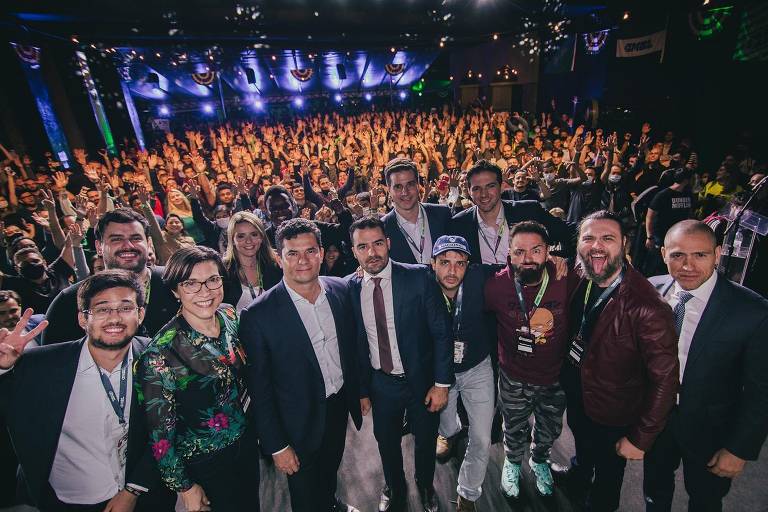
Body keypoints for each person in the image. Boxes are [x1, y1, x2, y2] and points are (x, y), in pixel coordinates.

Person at [0, 270, 175, 511]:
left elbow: (169, 429)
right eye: (102, 309)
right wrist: (2, 367)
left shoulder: (160, 358)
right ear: (83, 319)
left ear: (140, 314)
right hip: (68, 499)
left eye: (125, 308)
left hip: (145, 497)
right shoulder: (40, 366)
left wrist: (135, 488)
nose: (115, 318)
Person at [643, 221, 768, 511]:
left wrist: (739, 449)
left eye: (699, 255)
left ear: (718, 253)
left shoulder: (752, 311)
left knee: (706, 501)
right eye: (677, 255)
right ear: (663, 254)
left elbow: (761, 390)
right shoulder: (652, 289)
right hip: (658, 423)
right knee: (654, 492)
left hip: (713, 432)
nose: (687, 265)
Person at [240, 218, 362, 512]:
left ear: (322, 253)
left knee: (330, 469)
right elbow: (260, 388)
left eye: (309, 251)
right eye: (292, 253)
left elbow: (352, 347)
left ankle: (329, 503)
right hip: (294, 421)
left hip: (337, 405)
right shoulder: (258, 316)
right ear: (279, 258)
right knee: (304, 495)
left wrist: (359, 391)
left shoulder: (341, 290)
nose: (302, 261)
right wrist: (277, 445)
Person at [560, 210, 679, 511]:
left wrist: (641, 438)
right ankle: (579, 476)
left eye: (607, 238)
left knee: (609, 473)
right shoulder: (580, 275)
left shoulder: (647, 305)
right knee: (583, 447)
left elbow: (665, 379)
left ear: (625, 243)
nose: (597, 246)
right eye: (588, 238)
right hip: (579, 392)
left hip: (614, 410)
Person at [136, 246, 258, 512]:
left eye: (213, 280)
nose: (205, 292)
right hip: (206, 463)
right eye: (191, 283)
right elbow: (160, 437)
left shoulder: (228, 315)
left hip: (246, 444)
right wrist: (185, 487)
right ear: (174, 291)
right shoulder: (160, 354)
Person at [347, 216, 453, 512]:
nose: (372, 253)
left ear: (389, 243)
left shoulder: (419, 278)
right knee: (386, 440)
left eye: (378, 243)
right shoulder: (349, 289)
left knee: (426, 439)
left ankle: (425, 485)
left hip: (422, 380)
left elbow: (442, 332)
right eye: (363, 247)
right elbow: (354, 346)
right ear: (354, 251)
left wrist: (442, 383)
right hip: (382, 382)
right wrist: (362, 390)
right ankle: (394, 485)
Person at [484, 221, 570, 499]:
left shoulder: (566, 277)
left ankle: (539, 459)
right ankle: (512, 461)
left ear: (548, 252)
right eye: (519, 252)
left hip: (554, 376)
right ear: (509, 254)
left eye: (535, 251)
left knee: (550, 427)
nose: (528, 259)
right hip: (513, 375)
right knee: (513, 425)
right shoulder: (496, 286)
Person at [42, 209, 178, 345]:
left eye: (136, 238)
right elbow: (54, 359)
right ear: (99, 247)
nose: (128, 246)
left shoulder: (177, 282)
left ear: (148, 243)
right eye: (116, 239)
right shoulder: (70, 300)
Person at [429, 235, 495, 512]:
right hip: (440, 374)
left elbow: (520, 263)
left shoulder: (481, 277)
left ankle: (468, 493)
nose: (452, 271)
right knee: (447, 424)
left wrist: (554, 261)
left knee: (481, 438)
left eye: (460, 263)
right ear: (432, 264)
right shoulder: (418, 283)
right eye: (445, 262)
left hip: (477, 367)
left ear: (469, 265)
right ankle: (450, 431)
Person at [451, 160, 572, 265]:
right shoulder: (459, 224)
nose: (484, 194)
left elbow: (570, 232)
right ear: (468, 191)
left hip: (525, 289)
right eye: (477, 188)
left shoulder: (528, 211)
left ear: (502, 187)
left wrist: (557, 260)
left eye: (490, 186)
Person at [380, 158, 452, 264]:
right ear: (389, 190)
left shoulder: (442, 214)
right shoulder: (382, 228)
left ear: (418, 186)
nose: (405, 192)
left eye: (410, 184)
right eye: (398, 187)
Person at [221, 211, 282, 312]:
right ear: (232, 239)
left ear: (261, 237)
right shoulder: (223, 271)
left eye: (254, 234)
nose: (248, 241)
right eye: (241, 236)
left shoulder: (276, 265)